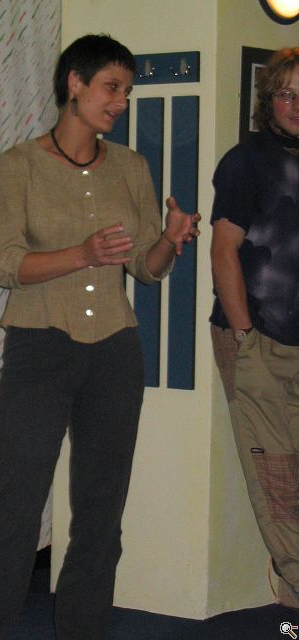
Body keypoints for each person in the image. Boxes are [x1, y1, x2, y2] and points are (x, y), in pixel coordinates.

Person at [0, 34, 199, 640]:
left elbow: (145, 268)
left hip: (114, 352)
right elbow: (7, 265)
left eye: (126, 92)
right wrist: (81, 253)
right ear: (75, 85)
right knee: (16, 505)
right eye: (111, 88)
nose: (120, 103)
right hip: (40, 348)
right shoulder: (18, 165)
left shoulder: (132, 168)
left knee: (101, 510)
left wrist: (170, 241)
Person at [210, 47, 299, 610]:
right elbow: (224, 252)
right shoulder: (247, 161)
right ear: (270, 101)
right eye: (287, 93)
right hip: (257, 338)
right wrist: (244, 337)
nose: (297, 105)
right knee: (278, 481)